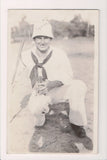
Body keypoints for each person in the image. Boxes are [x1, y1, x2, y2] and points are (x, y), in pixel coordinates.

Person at [21, 20, 87, 138]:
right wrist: (29, 89)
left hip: (57, 90)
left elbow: (68, 75)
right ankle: (41, 119)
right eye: (39, 38)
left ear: (51, 39)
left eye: (46, 38)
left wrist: (52, 84)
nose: (42, 41)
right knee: (37, 110)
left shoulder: (59, 53)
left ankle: (77, 124)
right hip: (38, 92)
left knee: (78, 86)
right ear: (34, 39)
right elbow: (18, 79)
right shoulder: (25, 55)